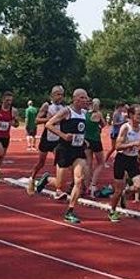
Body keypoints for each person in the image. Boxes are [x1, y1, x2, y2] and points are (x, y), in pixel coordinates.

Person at [45, 88, 90, 223]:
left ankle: (70, 210)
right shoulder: (67, 111)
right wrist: (64, 135)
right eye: (83, 98)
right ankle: (47, 179)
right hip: (65, 149)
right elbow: (49, 124)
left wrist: (84, 139)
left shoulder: (84, 113)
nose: (85, 100)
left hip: (78, 150)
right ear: (75, 99)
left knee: (79, 179)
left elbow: (80, 130)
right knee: (60, 184)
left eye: (86, 98)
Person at [107, 104, 140, 222]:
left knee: (139, 187)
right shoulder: (125, 128)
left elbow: (138, 144)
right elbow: (118, 146)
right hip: (121, 159)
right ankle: (112, 211)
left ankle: (125, 193)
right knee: (117, 190)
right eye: (138, 114)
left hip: (133, 160)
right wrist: (133, 144)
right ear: (131, 115)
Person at [28, 86, 66, 194]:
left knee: (60, 162)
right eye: (58, 94)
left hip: (58, 138)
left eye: (62, 94)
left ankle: (58, 189)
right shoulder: (47, 105)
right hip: (47, 138)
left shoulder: (64, 107)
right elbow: (37, 120)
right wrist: (50, 119)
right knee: (41, 162)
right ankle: (32, 178)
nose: (60, 97)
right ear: (52, 95)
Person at [85, 98, 107, 197]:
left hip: (86, 140)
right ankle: (93, 185)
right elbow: (103, 124)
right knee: (100, 163)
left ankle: (86, 185)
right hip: (96, 140)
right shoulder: (98, 114)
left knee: (88, 164)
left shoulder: (85, 114)